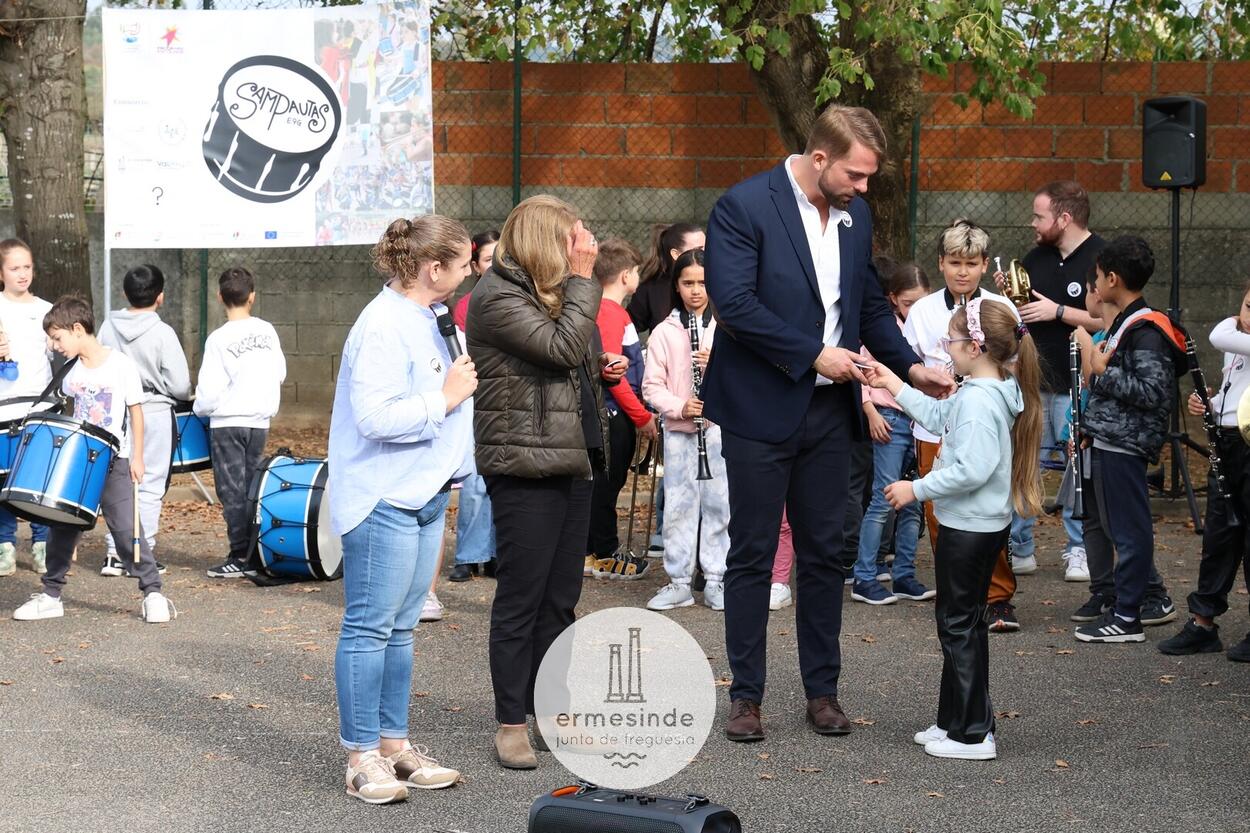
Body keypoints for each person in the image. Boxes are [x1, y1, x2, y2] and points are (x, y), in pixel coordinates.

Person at [703, 104, 955, 743]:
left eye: (869, 177)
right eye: (856, 175)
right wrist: (813, 354)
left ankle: (823, 692)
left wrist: (911, 368)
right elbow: (734, 305)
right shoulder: (744, 206)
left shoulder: (854, 216)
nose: (864, 188)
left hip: (827, 413)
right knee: (752, 553)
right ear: (820, 158)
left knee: (823, 554)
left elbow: (868, 309)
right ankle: (746, 696)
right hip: (759, 408)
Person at [467, 195, 625, 769]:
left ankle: (556, 713)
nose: (582, 248)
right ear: (544, 242)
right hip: (524, 463)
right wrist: (584, 281)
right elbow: (559, 349)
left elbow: (569, 354)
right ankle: (511, 723)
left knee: (560, 601)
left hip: (572, 456)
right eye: (572, 239)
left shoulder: (551, 292)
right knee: (522, 599)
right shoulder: (496, 295)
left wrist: (600, 367)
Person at [329, 215, 472, 805]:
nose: (471, 272)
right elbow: (375, 418)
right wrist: (444, 399)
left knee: (402, 628)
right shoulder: (382, 325)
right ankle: (361, 757)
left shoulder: (432, 316)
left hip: (425, 493)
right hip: (384, 496)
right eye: (463, 263)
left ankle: (394, 746)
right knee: (370, 628)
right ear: (433, 268)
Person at [866, 297, 1042, 761]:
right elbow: (941, 418)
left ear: (975, 347)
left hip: (969, 529)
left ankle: (974, 735)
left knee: (958, 626)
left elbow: (973, 469)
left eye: (951, 341)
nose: (946, 349)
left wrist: (916, 488)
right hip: (975, 526)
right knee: (963, 624)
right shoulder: (985, 388)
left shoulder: (980, 399)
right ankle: (955, 721)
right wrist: (893, 382)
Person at [12, 295, 176, 624]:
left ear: (77, 329)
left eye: (57, 338)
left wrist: (138, 457)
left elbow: (136, 411)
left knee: (127, 530)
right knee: (62, 527)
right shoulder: (69, 371)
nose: (55, 346)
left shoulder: (120, 365)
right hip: (76, 463)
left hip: (114, 461)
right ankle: (51, 595)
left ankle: (153, 592)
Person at [904, 218, 1021, 632]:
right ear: (940, 263)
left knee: (987, 509)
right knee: (939, 512)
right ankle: (956, 589)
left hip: (981, 422)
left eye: (971, 263)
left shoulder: (1001, 309)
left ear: (985, 264)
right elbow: (908, 361)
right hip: (933, 424)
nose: (962, 272)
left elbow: (1011, 366)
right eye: (954, 262)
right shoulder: (922, 310)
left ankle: (998, 597)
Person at [1072, 236, 1183, 644]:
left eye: (1099, 276)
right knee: (1116, 528)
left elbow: (1154, 392)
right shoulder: (1124, 323)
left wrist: (1102, 368)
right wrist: (1092, 429)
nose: (1096, 283)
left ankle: (1127, 617)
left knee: (1130, 532)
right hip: (1108, 440)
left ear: (1113, 279)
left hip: (1127, 445)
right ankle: (1126, 607)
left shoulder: (1147, 329)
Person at [994, 181, 1104, 581]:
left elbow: (1108, 318)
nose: (1033, 223)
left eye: (1039, 216)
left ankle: (1079, 549)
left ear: (1064, 218)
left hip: (1077, 385)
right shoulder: (1035, 257)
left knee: (1078, 467)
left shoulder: (1101, 257)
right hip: (1033, 382)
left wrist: (1058, 312)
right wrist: (1009, 299)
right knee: (1025, 462)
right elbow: (1021, 315)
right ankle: (1020, 546)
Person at [1157, 285, 1250, 661]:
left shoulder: (1233, 334)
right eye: (1248, 306)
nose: (1249, 317)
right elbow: (1236, 392)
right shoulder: (1239, 343)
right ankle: (1203, 623)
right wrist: (1210, 403)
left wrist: (1235, 320)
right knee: (1219, 536)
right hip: (1228, 442)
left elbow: (1217, 334)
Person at [642, 248, 729, 610]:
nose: (695, 290)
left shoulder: (725, 328)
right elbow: (651, 386)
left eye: (703, 283)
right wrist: (680, 406)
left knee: (719, 505)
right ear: (676, 286)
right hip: (680, 431)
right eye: (688, 283)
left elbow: (745, 380)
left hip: (718, 429)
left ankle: (716, 579)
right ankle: (678, 581)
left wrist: (721, 365)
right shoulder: (665, 331)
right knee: (679, 505)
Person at [98, 265, 192, 577]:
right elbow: (180, 385)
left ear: (124, 293)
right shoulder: (163, 332)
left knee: (117, 484)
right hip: (152, 410)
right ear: (160, 297)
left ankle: (115, 554)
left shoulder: (108, 327)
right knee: (149, 484)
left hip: (114, 412)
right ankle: (141, 553)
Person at [196, 268, 287, 578]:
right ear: (252, 297)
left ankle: (239, 554)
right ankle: (256, 550)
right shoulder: (268, 331)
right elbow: (280, 372)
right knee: (253, 487)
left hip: (228, 422)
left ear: (220, 297)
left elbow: (209, 391)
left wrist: (200, 408)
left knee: (231, 489)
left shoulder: (218, 339)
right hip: (259, 421)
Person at [853, 261, 932, 606]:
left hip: (921, 421)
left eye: (921, 302)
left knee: (915, 500)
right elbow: (861, 370)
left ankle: (904, 575)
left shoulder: (928, 328)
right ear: (894, 299)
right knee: (883, 499)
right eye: (908, 303)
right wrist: (870, 410)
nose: (914, 309)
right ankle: (864, 576)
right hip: (889, 418)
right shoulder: (883, 331)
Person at [587, 238, 657, 579]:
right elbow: (614, 375)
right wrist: (642, 417)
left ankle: (592, 551)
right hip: (614, 414)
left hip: (612, 412)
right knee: (606, 486)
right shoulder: (611, 313)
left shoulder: (603, 309)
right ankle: (603, 553)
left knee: (602, 485)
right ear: (627, 275)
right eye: (638, 272)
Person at [448, 229, 501, 584]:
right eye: (488, 259)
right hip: (477, 396)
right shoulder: (467, 306)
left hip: (507, 397)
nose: (496, 265)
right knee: (475, 480)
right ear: (477, 267)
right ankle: (469, 555)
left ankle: (495, 552)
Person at [0, 238, 52, 576]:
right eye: (14, 268)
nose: (22, 274)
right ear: (1, 272)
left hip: (39, 409)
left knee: (38, 480)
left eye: (27, 267)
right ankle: (4, 546)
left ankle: (42, 544)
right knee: (2, 482)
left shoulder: (47, 310)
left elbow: (62, 352)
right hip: (3, 411)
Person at [626, 222, 705, 336]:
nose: (696, 290)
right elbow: (627, 329)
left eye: (702, 283)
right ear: (676, 254)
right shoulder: (651, 289)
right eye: (699, 249)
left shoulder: (718, 282)